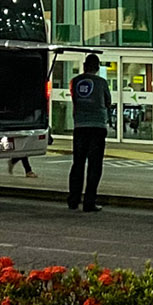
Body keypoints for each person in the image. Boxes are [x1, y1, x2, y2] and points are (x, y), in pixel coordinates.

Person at [67, 54, 110, 212]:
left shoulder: (75, 81)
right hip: (97, 127)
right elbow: (107, 102)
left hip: (80, 126)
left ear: (85, 65)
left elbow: (75, 99)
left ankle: (73, 199)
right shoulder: (101, 82)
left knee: (78, 164)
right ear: (97, 67)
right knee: (95, 165)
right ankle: (89, 202)